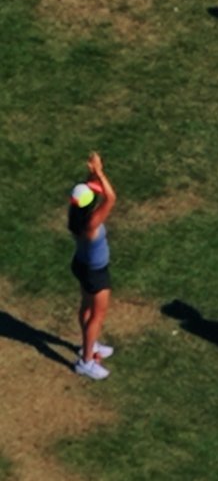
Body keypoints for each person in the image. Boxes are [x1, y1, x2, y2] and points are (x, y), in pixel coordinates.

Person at [67, 152, 115, 380]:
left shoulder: (76, 214)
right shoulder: (92, 223)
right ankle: (86, 361)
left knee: (86, 308)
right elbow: (111, 198)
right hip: (96, 273)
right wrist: (101, 174)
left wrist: (93, 173)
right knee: (97, 315)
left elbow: (87, 189)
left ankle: (89, 345)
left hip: (82, 266)